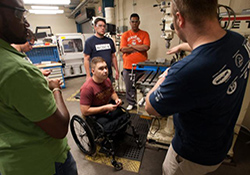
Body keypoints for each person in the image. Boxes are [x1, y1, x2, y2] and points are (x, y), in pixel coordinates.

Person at [145, 0, 250, 175]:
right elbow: (209, 44)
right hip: (220, 146)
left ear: (179, 19)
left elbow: (150, 107)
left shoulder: (184, 73)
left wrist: (166, 75)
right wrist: (183, 45)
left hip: (190, 156)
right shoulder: (239, 42)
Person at [0, 0, 77, 175]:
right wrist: (56, 89)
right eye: (19, 14)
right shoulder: (16, 70)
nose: (26, 23)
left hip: (12, 163)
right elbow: (59, 128)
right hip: (44, 163)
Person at [80, 57, 123, 131]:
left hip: (106, 108)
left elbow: (112, 92)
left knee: (123, 116)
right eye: (101, 69)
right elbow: (85, 111)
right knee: (108, 127)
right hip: (96, 115)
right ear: (93, 71)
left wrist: (116, 99)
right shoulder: (87, 88)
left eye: (106, 67)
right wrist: (105, 107)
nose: (105, 71)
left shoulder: (107, 80)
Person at [120, 13, 150, 110]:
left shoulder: (144, 34)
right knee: (129, 87)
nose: (134, 24)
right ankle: (131, 103)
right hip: (128, 67)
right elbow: (123, 49)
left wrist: (131, 47)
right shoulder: (125, 35)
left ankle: (143, 102)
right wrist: (138, 48)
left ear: (139, 22)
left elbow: (146, 47)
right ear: (130, 22)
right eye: (132, 22)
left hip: (142, 67)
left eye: (136, 22)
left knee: (143, 86)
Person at [84, 17, 119, 83]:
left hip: (108, 73)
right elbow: (86, 59)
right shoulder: (89, 42)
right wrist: (88, 75)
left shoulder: (109, 41)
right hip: (97, 75)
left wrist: (117, 70)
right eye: (100, 26)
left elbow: (113, 56)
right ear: (95, 27)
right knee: (98, 92)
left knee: (109, 91)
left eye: (104, 26)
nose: (102, 28)